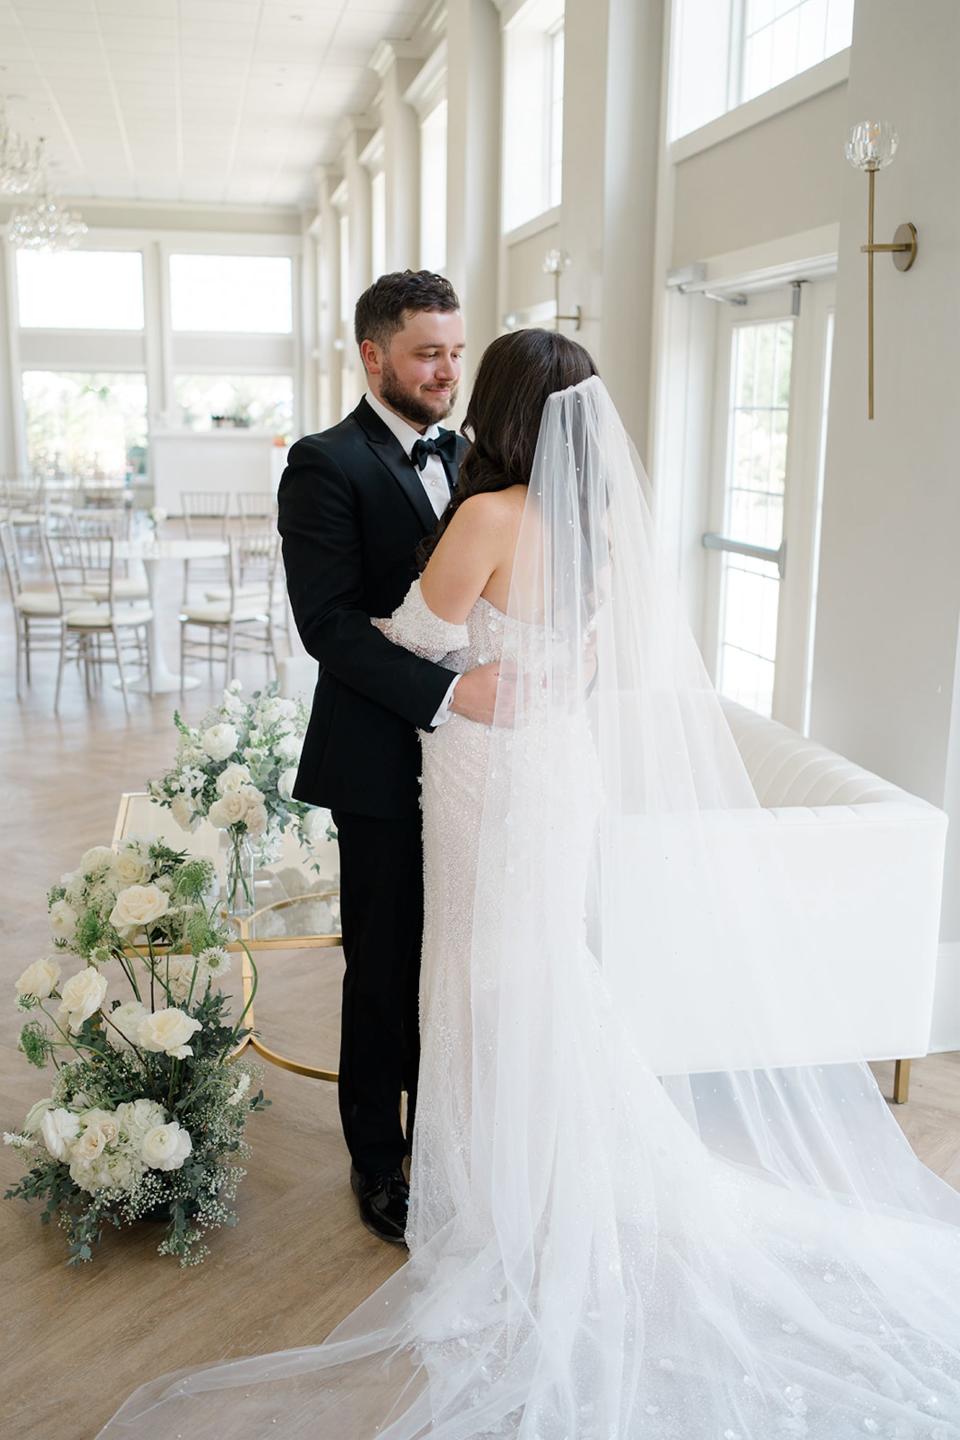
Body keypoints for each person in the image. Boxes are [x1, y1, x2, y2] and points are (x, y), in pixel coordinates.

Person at [99, 330, 960, 1439]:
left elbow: (411, 634)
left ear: (499, 403)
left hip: (488, 773)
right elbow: (583, 659)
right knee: (538, 966)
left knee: (474, 972)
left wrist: (415, 628)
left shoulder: (490, 516)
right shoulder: (600, 529)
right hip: (556, 766)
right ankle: (546, 1168)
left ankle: (496, 1190)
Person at [277, 270, 499, 1243]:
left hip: (479, 766)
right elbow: (329, 623)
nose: (448, 370)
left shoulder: (482, 456)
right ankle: (379, 1158)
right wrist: (449, 693)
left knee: (458, 955)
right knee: (382, 964)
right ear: (375, 356)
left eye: (455, 350)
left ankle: (453, 1130)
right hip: (376, 759)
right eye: (427, 353)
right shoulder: (324, 463)